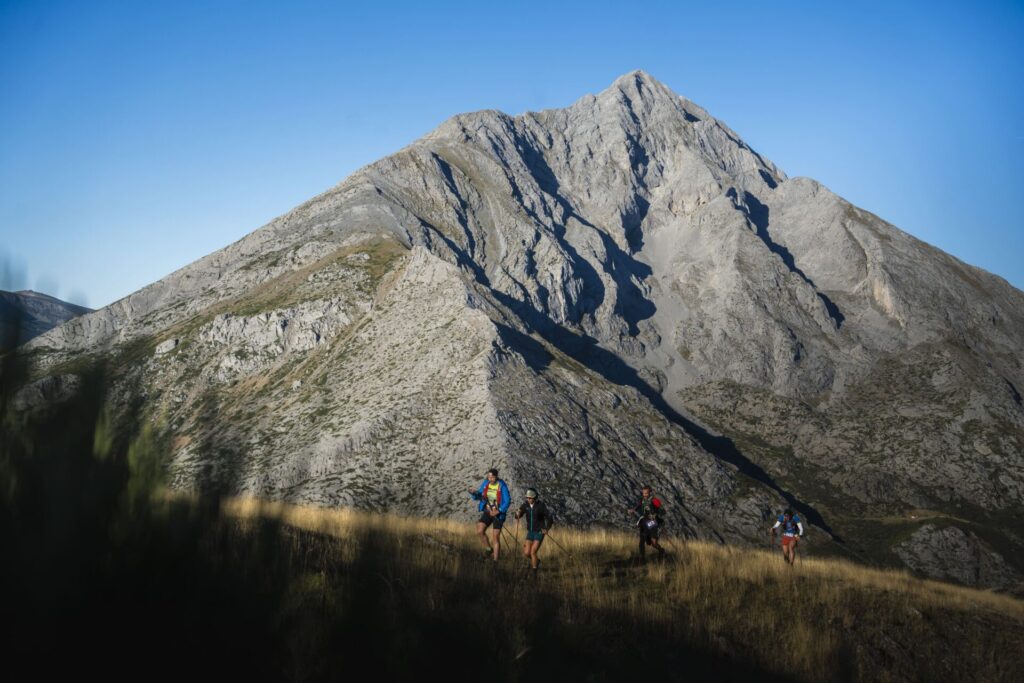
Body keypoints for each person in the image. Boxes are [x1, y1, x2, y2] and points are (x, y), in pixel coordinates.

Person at [470, 468, 511, 561]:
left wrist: (498, 510)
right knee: (480, 530)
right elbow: (480, 495)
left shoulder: (502, 485)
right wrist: (474, 493)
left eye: (492, 477)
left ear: (496, 477)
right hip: (487, 511)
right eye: (488, 477)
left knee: (495, 537)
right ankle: (489, 549)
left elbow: (507, 501)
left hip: (498, 514)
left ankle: (495, 561)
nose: (490, 479)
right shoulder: (486, 483)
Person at [514, 488, 553, 572]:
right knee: (526, 553)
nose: (528, 499)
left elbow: (549, 517)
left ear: (535, 498)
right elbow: (518, 516)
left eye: (530, 498)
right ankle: (537, 561)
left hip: (539, 532)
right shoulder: (525, 505)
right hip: (530, 532)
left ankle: (534, 572)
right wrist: (517, 514)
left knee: (533, 552)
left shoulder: (541, 506)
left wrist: (546, 528)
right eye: (527, 497)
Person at [629, 485, 666, 561]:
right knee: (642, 540)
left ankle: (661, 551)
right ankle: (642, 558)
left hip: (653, 522)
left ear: (650, 493)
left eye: (646, 493)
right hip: (644, 522)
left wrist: (656, 514)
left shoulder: (654, 500)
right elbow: (638, 506)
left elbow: (663, 511)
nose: (645, 495)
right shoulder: (642, 500)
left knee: (653, 543)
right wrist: (632, 510)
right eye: (643, 493)